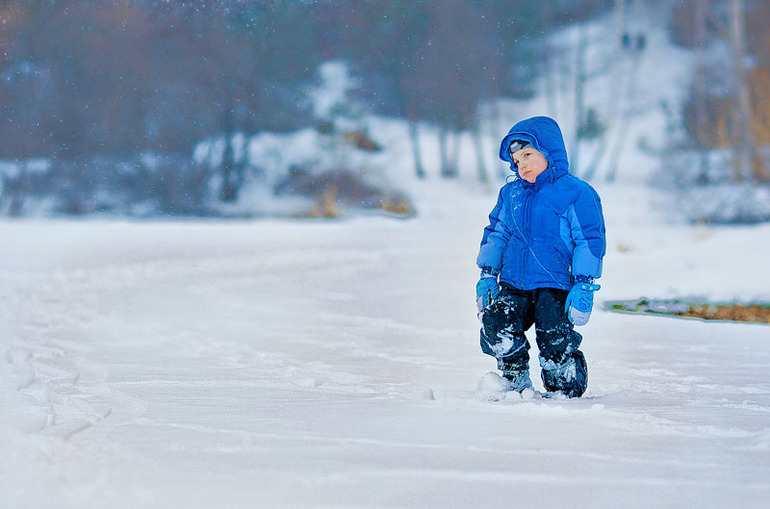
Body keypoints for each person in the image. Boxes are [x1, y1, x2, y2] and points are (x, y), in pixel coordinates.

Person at [475, 116, 606, 398]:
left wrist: (584, 283)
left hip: (555, 285)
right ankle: (514, 378)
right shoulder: (511, 194)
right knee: (497, 324)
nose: (522, 165)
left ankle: (564, 384)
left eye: (528, 155)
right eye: (517, 161)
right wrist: (487, 274)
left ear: (549, 151)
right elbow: (497, 233)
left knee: (553, 336)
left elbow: (589, 239)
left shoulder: (575, 193)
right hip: (513, 283)